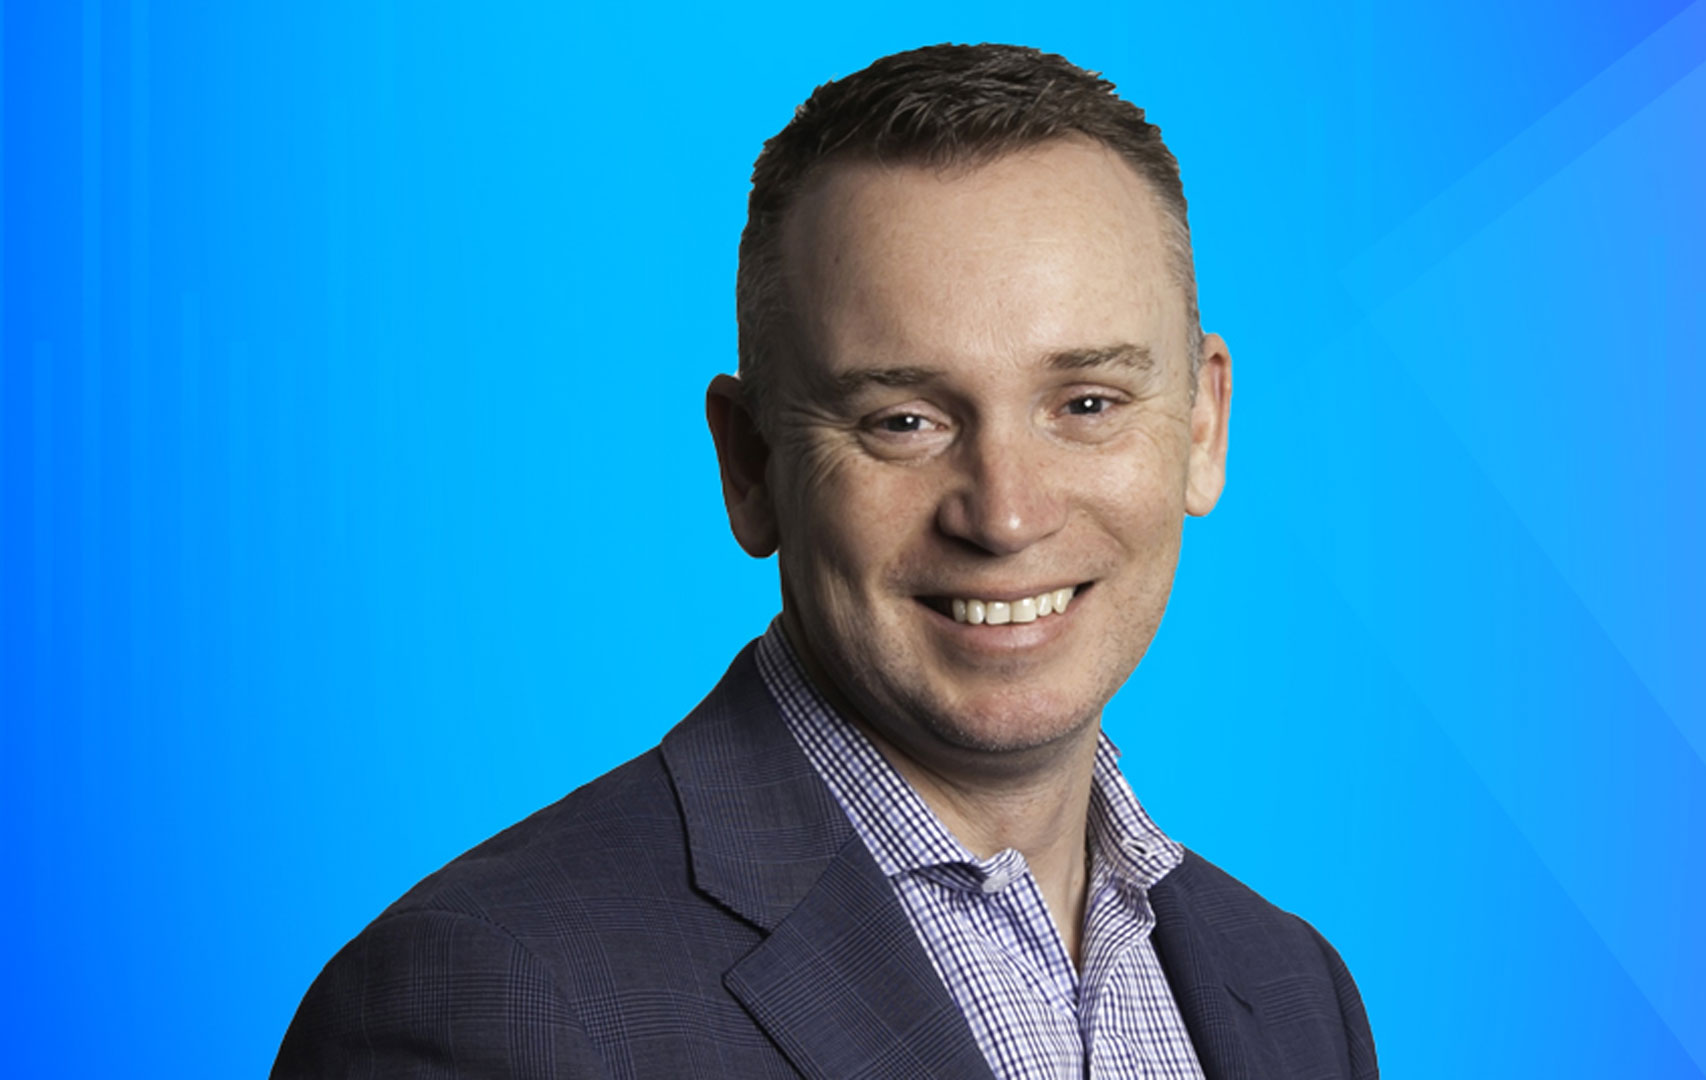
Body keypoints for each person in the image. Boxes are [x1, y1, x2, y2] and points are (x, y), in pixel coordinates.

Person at [273, 42, 1377, 1080]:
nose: (1005, 514)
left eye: (1086, 403)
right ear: (750, 464)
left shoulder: (1289, 993)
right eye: (903, 421)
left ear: (1202, 426)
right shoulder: (494, 1003)